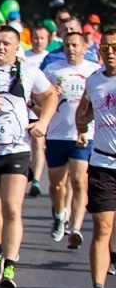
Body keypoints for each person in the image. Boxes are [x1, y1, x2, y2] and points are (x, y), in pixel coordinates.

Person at [0, 24, 53, 288]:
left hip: (16, 150)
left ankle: (10, 264)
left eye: (7, 43)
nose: (1, 47)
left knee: (12, 208)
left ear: (18, 48)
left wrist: (42, 122)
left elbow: (50, 95)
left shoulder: (28, 71)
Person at [42, 24, 99, 246]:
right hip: (56, 134)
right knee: (57, 185)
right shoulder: (52, 70)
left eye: (75, 45)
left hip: (83, 134)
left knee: (79, 182)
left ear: (85, 47)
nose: (71, 49)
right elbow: (39, 100)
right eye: (67, 45)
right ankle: (59, 215)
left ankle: (75, 227)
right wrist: (49, 96)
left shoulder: (93, 70)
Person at [76, 28, 116, 288]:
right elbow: (84, 112)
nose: (110, 53)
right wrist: (81, 122)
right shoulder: (94, 81)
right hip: (102, 163)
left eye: (115, 48)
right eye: (105, 48)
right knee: (102, 228)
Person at [24, 20, 52, 195]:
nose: (38, 41)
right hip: (23, 107)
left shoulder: (51, 58)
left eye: (42, 38)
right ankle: (25, 171)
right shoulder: (24, 57)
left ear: (48, 40)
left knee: (38, 142)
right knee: (26, 144)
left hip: (39, 106)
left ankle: (36, 180)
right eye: (35, 38)